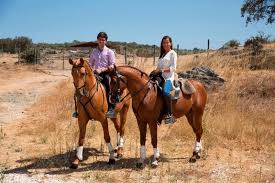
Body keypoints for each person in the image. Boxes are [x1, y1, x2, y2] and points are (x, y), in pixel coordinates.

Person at [89, 32, 116, 118]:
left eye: (103, 40)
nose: (101, 41)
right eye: (100, 40)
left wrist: (101, 69)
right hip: (95, 73)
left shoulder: (109, 52)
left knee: (108, 85)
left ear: (106, 41)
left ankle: (111, 108)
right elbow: (90, 64)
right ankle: (82, 109)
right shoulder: (94, 52)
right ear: (97, 40)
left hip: (106, 73)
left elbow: (112, 65)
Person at [151, 35, 177, 124]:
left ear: (171, 43)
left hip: (169, 77)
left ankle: (170, 115)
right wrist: (155, 71)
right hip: (161, 76)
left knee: (166, 91)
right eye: (164, 43)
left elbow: (173, 68)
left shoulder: (173, 53)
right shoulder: (162, 55)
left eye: (167, 42)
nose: (165, 44)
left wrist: (161, 70)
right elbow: (158, 67)